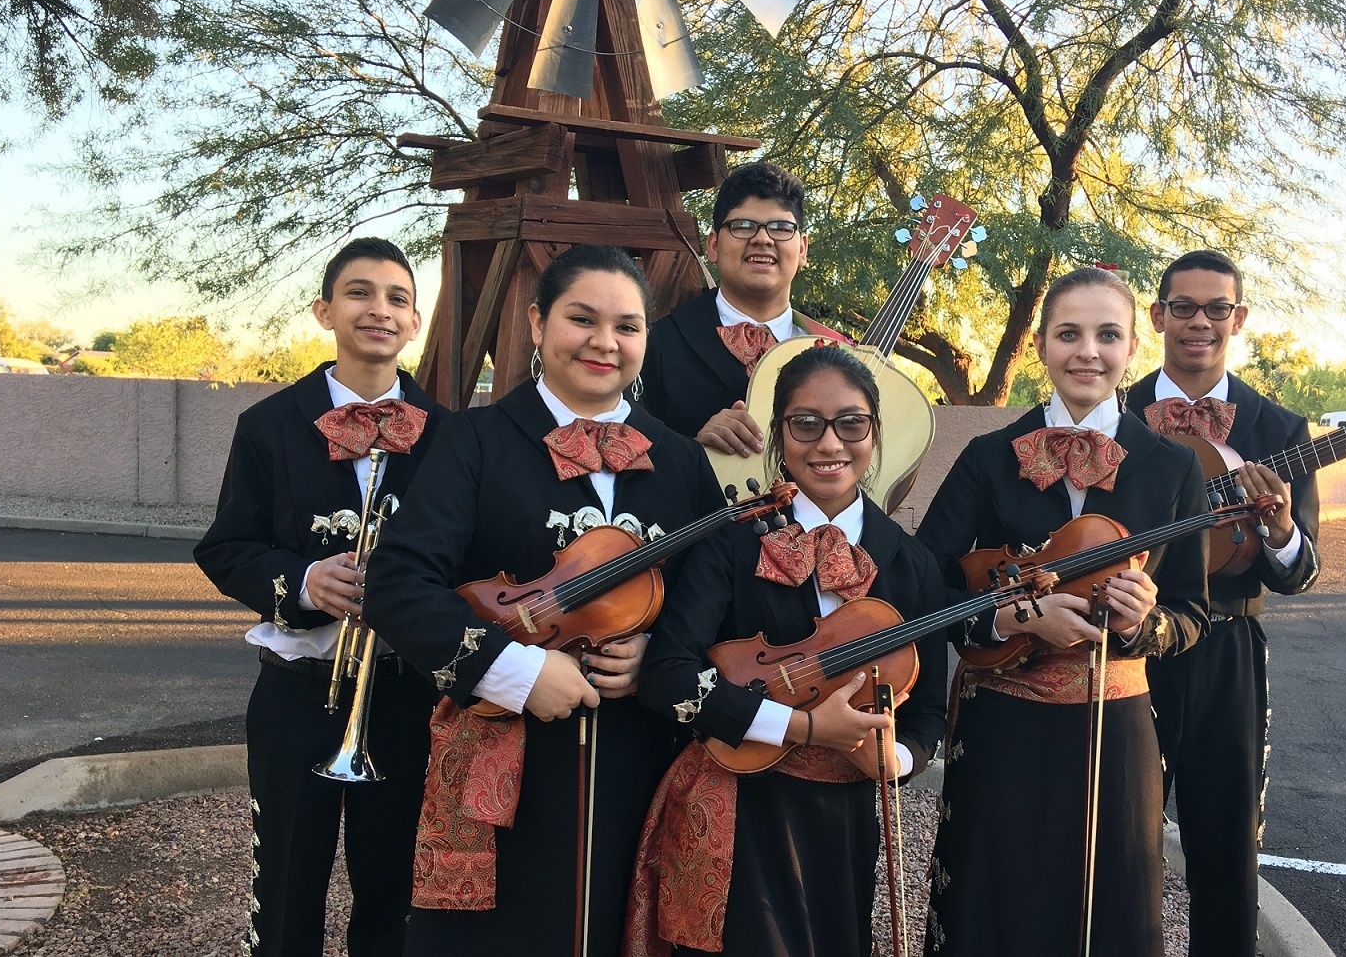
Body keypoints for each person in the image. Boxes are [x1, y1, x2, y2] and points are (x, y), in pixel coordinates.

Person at [361, 244, 724, 955]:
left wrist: (658, 654)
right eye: (581, 319)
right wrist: (516, 672)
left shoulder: (681, 460)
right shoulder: (475, 440)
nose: (604, 342)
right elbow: (398, 584)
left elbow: (712, 599)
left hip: (638, 755)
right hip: (504, 752)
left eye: (627, 326)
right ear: (536, 322)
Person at [625, 343, 962, 957]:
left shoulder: (911, 564)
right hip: (738, 801)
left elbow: (930, 712)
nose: (830, 444)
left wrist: (901, 760)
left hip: (846, 818)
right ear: (778, 435)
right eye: (805, 424)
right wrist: (800, 725)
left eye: (850, 423)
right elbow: (667, 675)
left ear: (875, 432)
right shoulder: (728, 541)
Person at [918, 266, 1212, 957]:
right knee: (995, 901)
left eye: (1108, 335)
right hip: (1001, 726)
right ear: (1043, 346)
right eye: (1069, 334)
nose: (1088, 351)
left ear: (1134, 346)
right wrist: (1010, 619)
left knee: (1107, 905)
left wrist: (1146, 623)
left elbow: (1194, 613)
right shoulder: (987, 458)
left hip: (1117, 730)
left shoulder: (1175, 470)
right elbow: (925, 583)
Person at [194, 236, 447, 957]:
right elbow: (225, 548)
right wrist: (305, 582)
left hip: (405, 695)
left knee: (394, 889)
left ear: (415, 322)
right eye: (361, 293)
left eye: (398, 297)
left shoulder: (453, 437)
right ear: (324, 310)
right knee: (285, 890)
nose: (380, 309)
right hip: (299, 694)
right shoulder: (269, 426)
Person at [1124, 249, 1320, 957]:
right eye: (1184, 307)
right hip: (1129, 643)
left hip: (1227, 651)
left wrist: (1282, 531)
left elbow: (1300, 575)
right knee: (1117, 838)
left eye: (1216, 309)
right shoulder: (1109, 407)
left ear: (1238, 319)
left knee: (1227, 847)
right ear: (1158, 316)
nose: (1199, 322)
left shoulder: (1279, 428)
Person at [640, 160, 845, 458]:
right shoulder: (657, 344)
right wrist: (695, 449)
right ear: (712, 246)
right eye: (743, 226)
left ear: (802, 250)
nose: (762, 239)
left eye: (780, 227)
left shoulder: (836, 351)